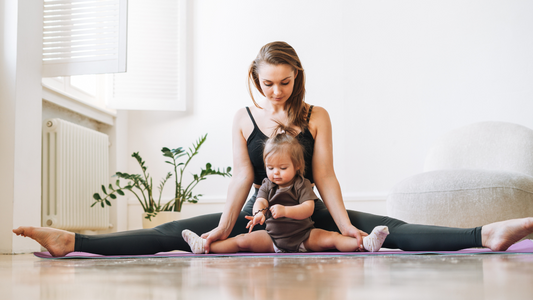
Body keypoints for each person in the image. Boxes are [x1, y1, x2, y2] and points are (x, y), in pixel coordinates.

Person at [13, 41, 533, 257]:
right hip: (261, 214)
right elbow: (242, 181)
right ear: (256, 81)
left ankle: (485, 233)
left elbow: (325, 175)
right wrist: (224, 223)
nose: (277, 92)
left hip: (308, 209)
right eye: (269, 84)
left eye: (285, 82)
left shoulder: (316, 116)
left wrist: (344, 222)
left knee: (383, 228)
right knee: (176, 230)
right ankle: (73, 239)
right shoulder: (242, 118)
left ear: (296, 78)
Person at [182, 125, 389, 254]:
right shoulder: (267, 185)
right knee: (240, 241)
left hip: (304, 236)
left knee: (333, 239)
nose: (276, 173)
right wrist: (258, 215)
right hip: (272, 238)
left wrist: (285, 211)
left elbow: (308, 208)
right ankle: (204, 246)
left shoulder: (301, 183)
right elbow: (261, 201)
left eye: (283, 168)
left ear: (297, 166)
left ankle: (366, 243)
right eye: (270, 168)